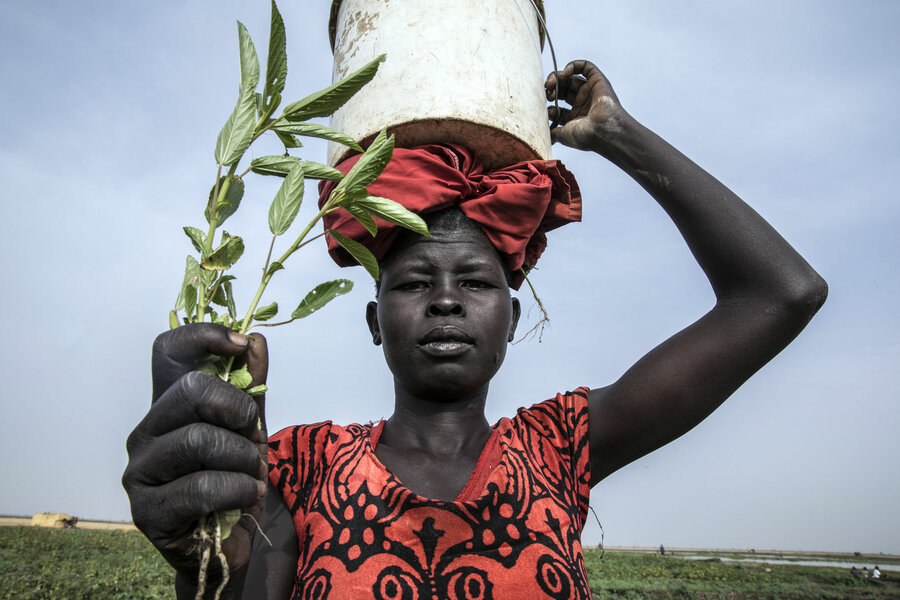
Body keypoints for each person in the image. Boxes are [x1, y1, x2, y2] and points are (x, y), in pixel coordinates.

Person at [122, 60, 827, 599]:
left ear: (512, 318)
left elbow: (782, 294)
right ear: (376, 321)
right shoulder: (299, 467)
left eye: (477, 282)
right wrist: (206, 559)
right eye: (414, 283)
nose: (447, 301)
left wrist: (618, 135)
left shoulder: (559, 449)